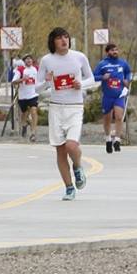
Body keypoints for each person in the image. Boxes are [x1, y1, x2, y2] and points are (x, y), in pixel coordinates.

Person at [38, 26, 97, 201]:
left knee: (71, 145)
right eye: (59, 38)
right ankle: (69, 187)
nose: (64, 40)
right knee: (61, 150)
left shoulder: (79, 57)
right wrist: (46, 82)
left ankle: (77, 167)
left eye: (66, 37)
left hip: (75, 107)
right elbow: (36, 88)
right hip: (56, 108)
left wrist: (81, 84)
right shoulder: (47, 60)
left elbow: (92, 78)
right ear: (53, 42)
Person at [95, 42, 133, 152]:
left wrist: (127, 80)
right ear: (107, 52)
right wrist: (102, 77)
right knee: (107, 118)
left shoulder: (123, 63)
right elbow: (93, 76)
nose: (115, 52)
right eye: (112, 50)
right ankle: (108, 139)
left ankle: (117, 140)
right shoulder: (102, 64)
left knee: (119, 116)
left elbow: (128, 72)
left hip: (119, 95)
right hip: (107, 96)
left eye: (116, 50)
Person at [10, 52, 41, 142]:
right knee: (24, 114)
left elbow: (42, 78)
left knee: (34, 111)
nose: (29, 60)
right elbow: (13, 82)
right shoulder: (20, 70)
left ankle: (33, 133)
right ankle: (24, 125)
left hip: (33, 94)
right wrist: (23, 79)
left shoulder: (36, 69)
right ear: (24, 61)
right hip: (23, 96)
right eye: (27, 59)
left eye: (30, 58)